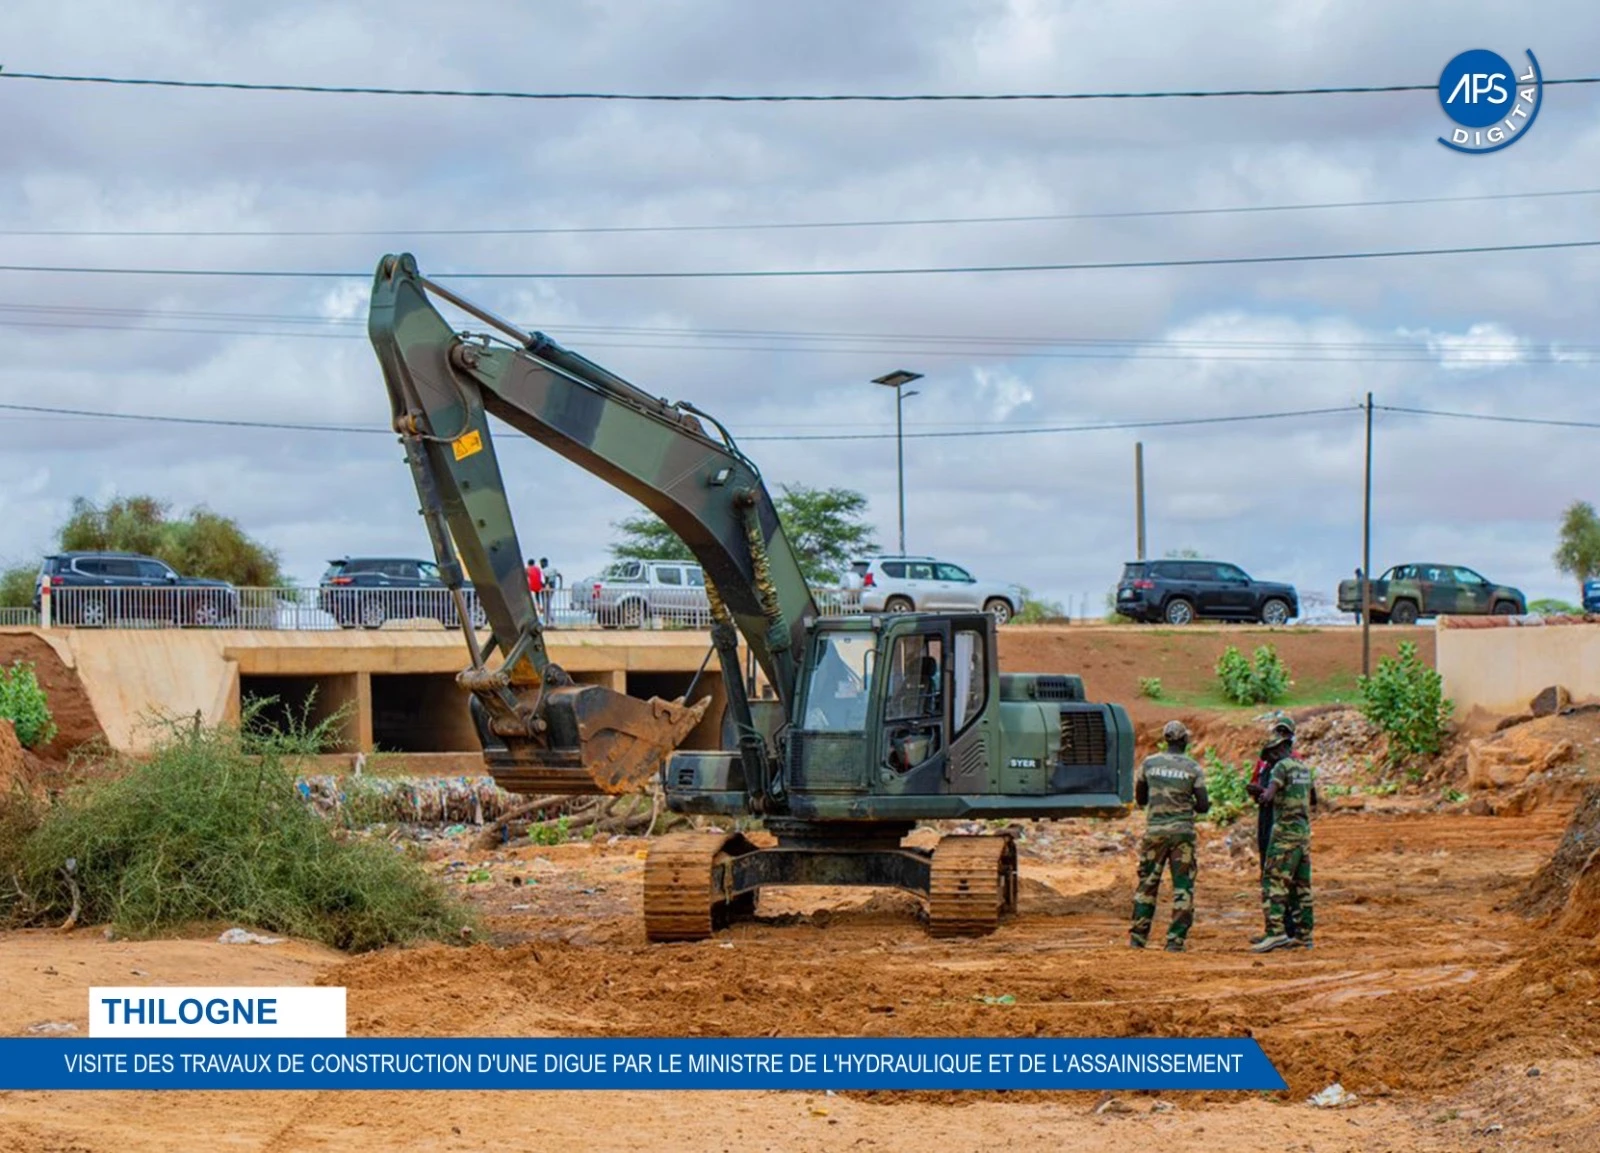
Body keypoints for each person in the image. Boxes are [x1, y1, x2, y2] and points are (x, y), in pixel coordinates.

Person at [1130, 719, 1210, 952]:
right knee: (1182, 887)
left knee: (1147, 884)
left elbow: (1140, 798)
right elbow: (1203, 806)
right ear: (1184, 740)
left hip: (1155, 833)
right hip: (1182, 834)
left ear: (1166, 740)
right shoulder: (1193, 768)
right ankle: (1175, 941)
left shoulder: (1149, 764)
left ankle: (1138, 939)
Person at [1251, 714, 1318, 953]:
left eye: (1271, 754)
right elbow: (1314, 799)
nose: (1270, 759)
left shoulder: (1281, 767)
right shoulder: (1303, 768)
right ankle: (1304, 935)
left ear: (1279, 749)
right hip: (1302, 833)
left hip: (1283, 833)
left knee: (1274, 881)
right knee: (1301, 885)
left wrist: (1260, 794)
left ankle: (1275, 933)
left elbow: (1268, 795)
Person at [536, 556, 555, 623]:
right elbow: (559, 575)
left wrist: (546, 585)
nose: (541, 565)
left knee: (546, 603)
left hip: (547, 588)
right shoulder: (552, 569)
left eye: (541, 563)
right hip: (551, 588)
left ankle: (548, 619)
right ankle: (549, 619)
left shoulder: (544, 570)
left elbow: (546, 578)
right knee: (547, 603)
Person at [526, 558, 545, 622]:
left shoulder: (527, 569)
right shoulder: (538, 569)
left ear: (528, 564)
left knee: (529, 598)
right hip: (538, 586)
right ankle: (539, 606)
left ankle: (538, 607)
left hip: (531, 586)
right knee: (537, 597)